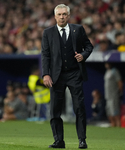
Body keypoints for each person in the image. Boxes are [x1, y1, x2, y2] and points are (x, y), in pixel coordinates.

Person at [41, 4, 93, 149]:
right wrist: (45, 73)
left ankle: (82, 140)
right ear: (55, 16)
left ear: (69, 16)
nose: (62, 17)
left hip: (75, 73)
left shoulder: (78, 29)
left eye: (64, 14)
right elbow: (45, 54)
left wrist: (83, 55)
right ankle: (59, 141)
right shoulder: (48, 33)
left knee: (79, 108)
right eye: (59, 14)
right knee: (55, 109)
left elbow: (89, 47)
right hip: (56, 76)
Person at [104, 63, 123, 127]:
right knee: (110, 114)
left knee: (116, 114)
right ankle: (113, 128)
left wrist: (119, 93)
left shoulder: (115, 71)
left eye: (108, 63)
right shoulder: (107, 71)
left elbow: (120, 83)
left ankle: (118, 127)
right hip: (107, 96)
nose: (106, 64)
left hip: (114, 96)